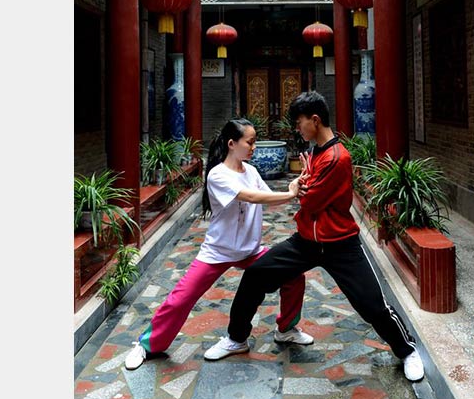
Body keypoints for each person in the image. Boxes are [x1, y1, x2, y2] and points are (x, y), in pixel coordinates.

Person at [203, 92, 425, 382]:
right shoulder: (318, 152)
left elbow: (309, 200)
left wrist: (304, 187)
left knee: (372, 304)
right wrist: (303, 186)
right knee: (256, 275)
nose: (297, 129)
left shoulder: (336, 157)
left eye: (299, 123)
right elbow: (304, 189)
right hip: (306, 242)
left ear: (315, 120)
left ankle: (407, 350)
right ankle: (236, 338)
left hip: (340, 245)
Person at [124, 118, 313, 370]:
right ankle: (147, 345)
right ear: (232, 144)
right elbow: (251, 196)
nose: (253, 147)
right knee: (181, 298)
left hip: (251, 252)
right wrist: (289, 192)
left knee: (293, 275)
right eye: (251, 142)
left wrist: (296, 186)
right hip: (218, 252)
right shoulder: (217, 174)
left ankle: (287, 328)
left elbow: (269, 198)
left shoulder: (252, 172)